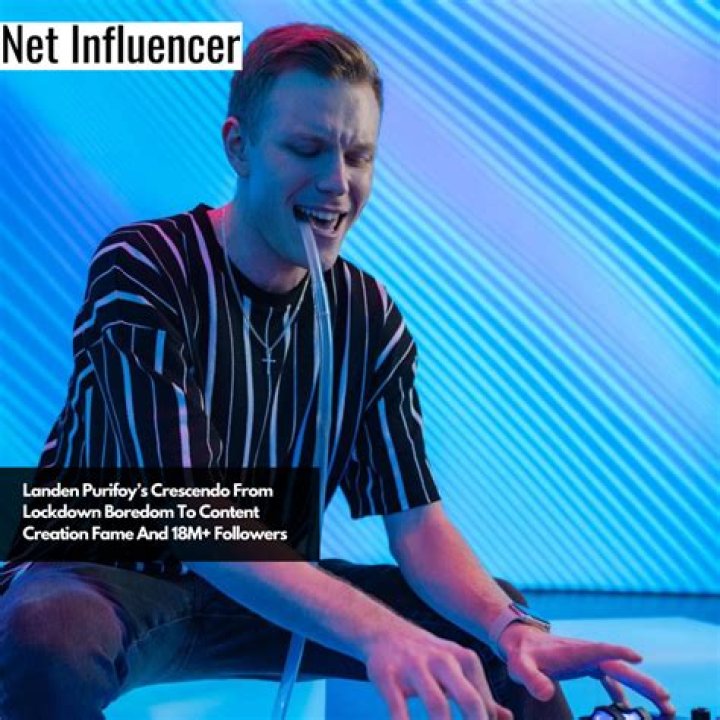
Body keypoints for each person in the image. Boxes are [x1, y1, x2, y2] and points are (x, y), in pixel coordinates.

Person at [0, 23, 675, 720]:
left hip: (265, 594)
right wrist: (381, 632)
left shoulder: (367, 314)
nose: (337, 183)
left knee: (497, 637)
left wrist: (510, 629)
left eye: (358, 156)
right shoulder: (145, 266)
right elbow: (190, 517)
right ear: (238, 146)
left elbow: (418, 524)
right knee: (49, 629)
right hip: (102, 572)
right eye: (307, 149)